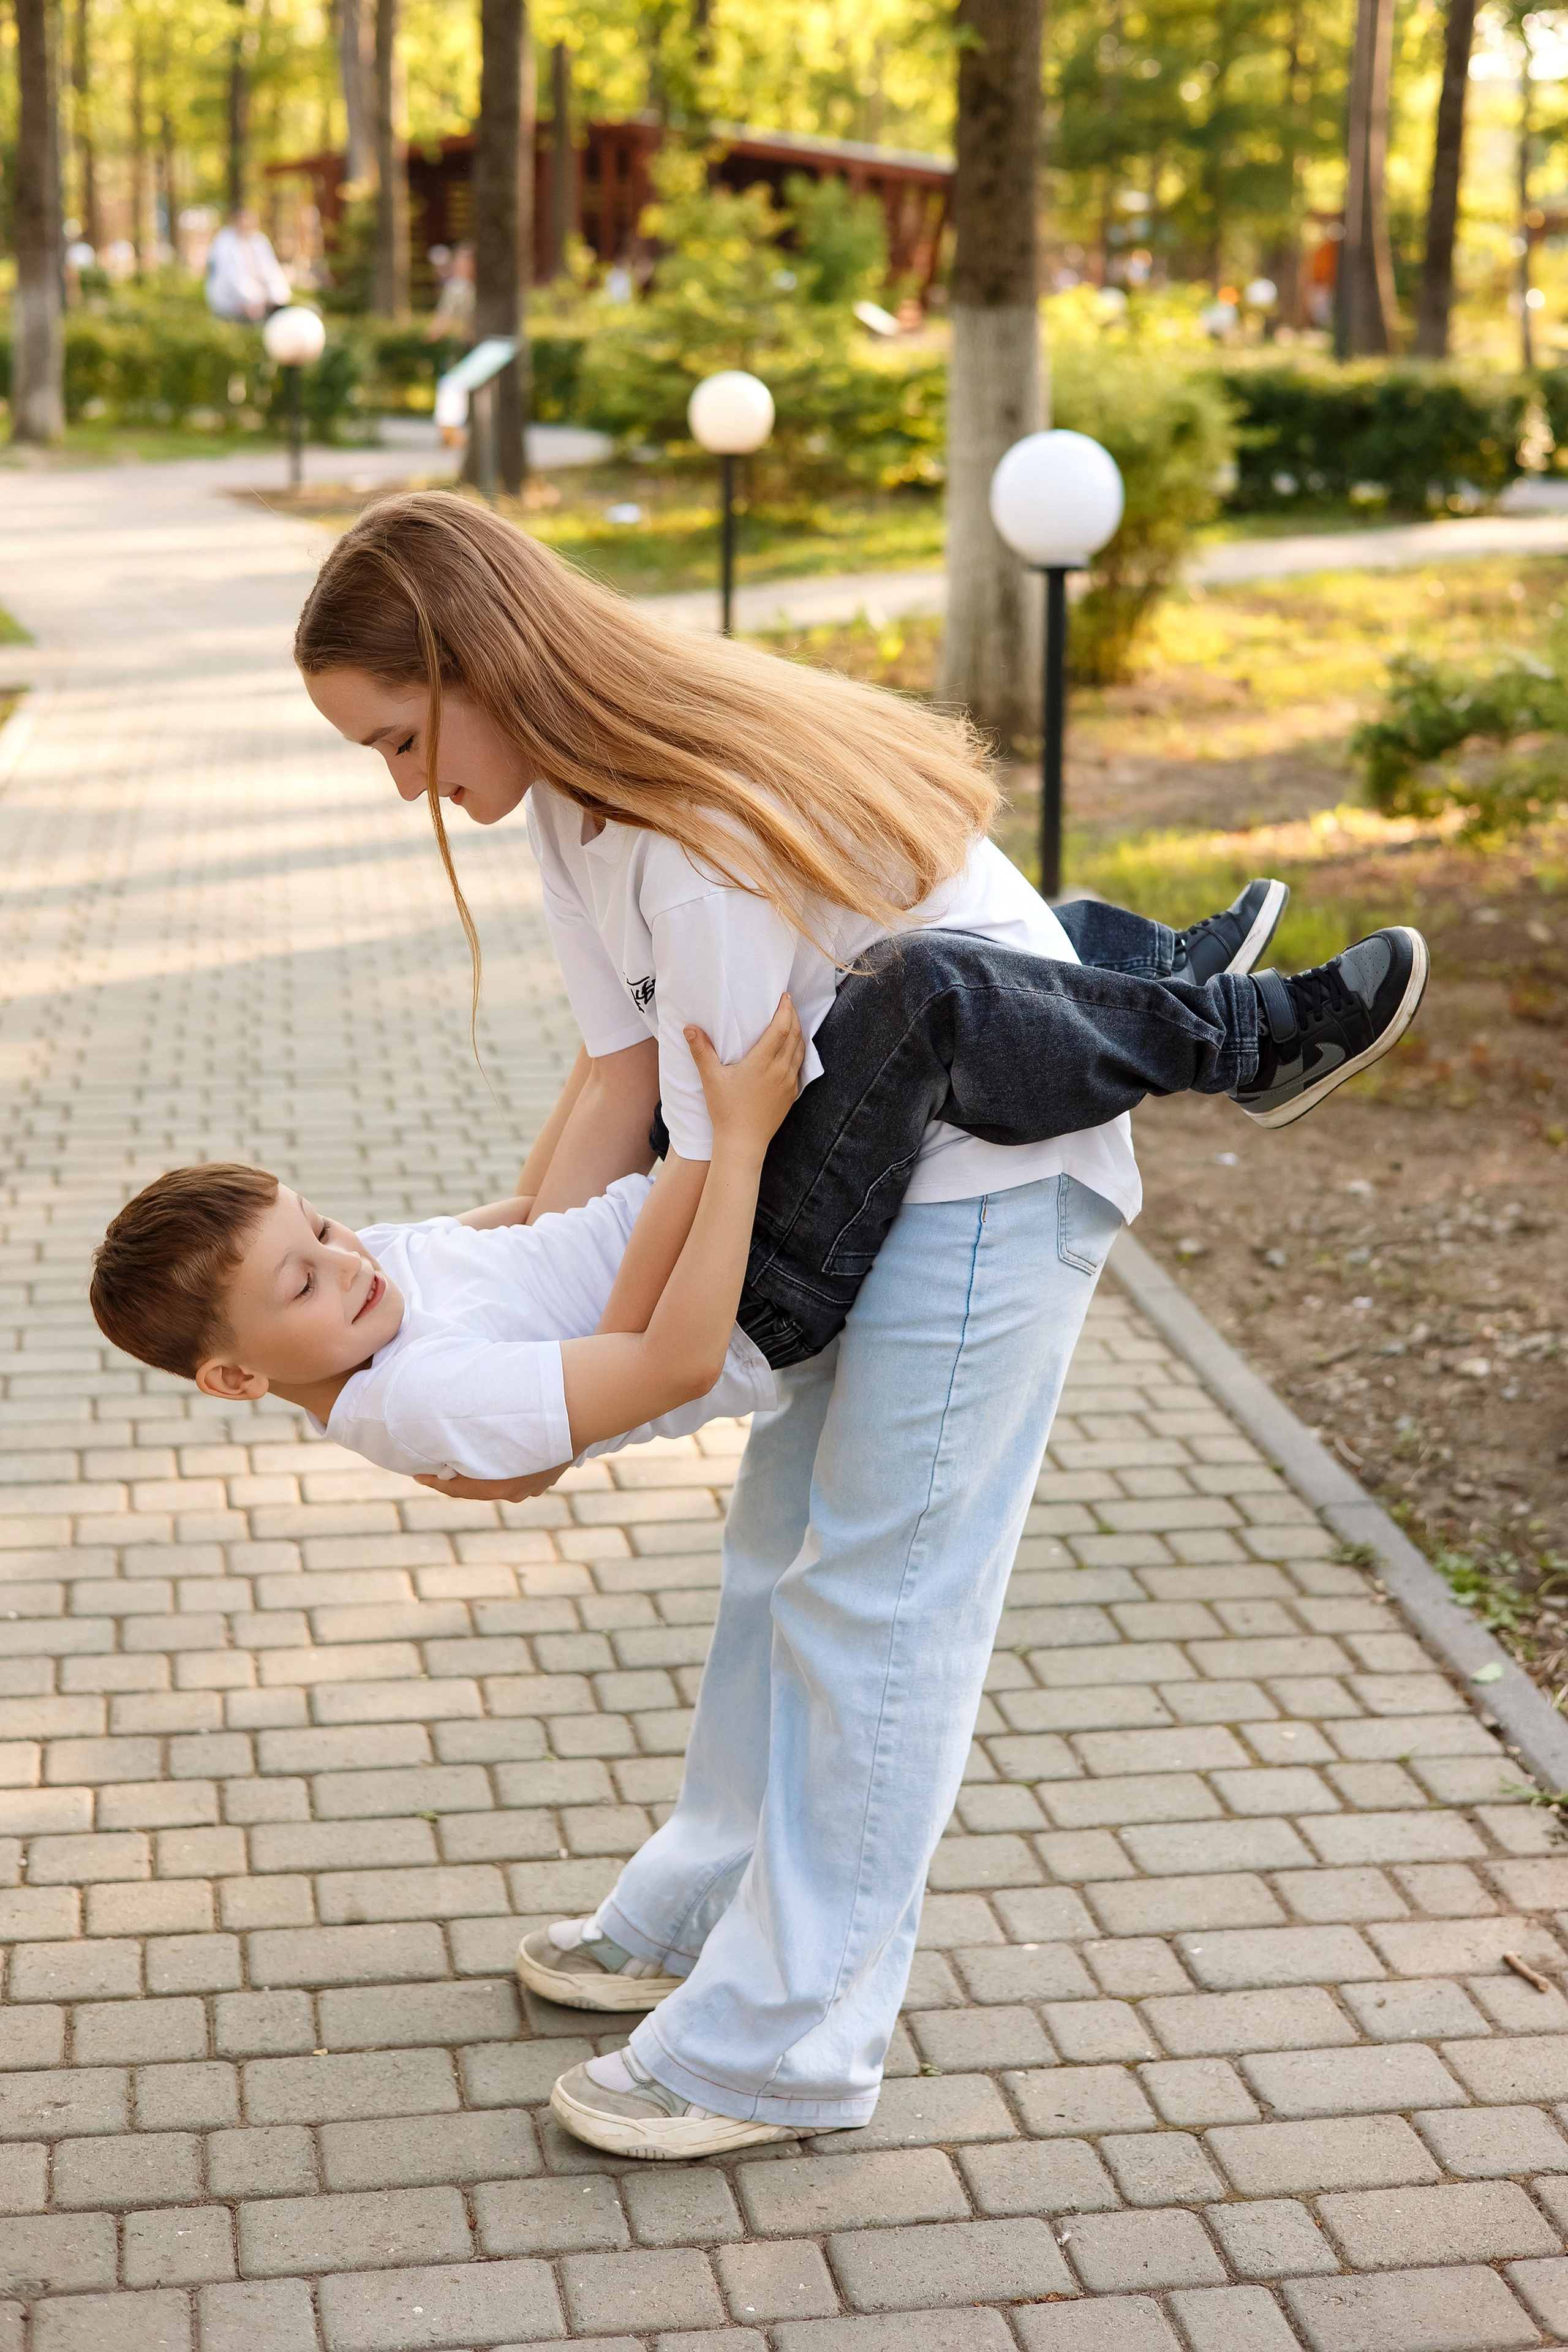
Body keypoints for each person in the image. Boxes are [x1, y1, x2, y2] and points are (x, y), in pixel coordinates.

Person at [292, 491, 1423, 2161]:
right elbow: (615, 1083)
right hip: (854, 1173)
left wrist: (586, 1385)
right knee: (781, 1567)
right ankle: (699, 1916)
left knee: (877, 1606)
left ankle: (785, 2040)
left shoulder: (690, 836)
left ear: (485, 666)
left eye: (401, 738)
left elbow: (700, 1159)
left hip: (984, 1178)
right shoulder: (574, 813)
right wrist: (517, 1261)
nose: (404, 787)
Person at [87, 914, 1428, 1479]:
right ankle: (1254, 1040)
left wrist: (619, 1037)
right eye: (302, 1279)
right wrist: (722, 1144)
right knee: (919, 998)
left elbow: (531, 1221)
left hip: (702, 1226)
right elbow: (669, 1365)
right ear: (237, 1377)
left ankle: (1147, 970)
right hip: (750, 1295)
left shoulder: (369, 1298)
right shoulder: (415, 1398)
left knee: (829, 962)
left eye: (320, 1228)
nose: (346, 1259)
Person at [205, 205, 292, 323]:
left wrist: (278, 294)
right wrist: (257, 298)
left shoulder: (260, 241)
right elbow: (232, 278)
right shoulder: (224, 243)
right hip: (232, 298)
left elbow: (272, 270)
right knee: (254, 311)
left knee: (277, 308)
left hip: (262, 296)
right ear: (236, 221)